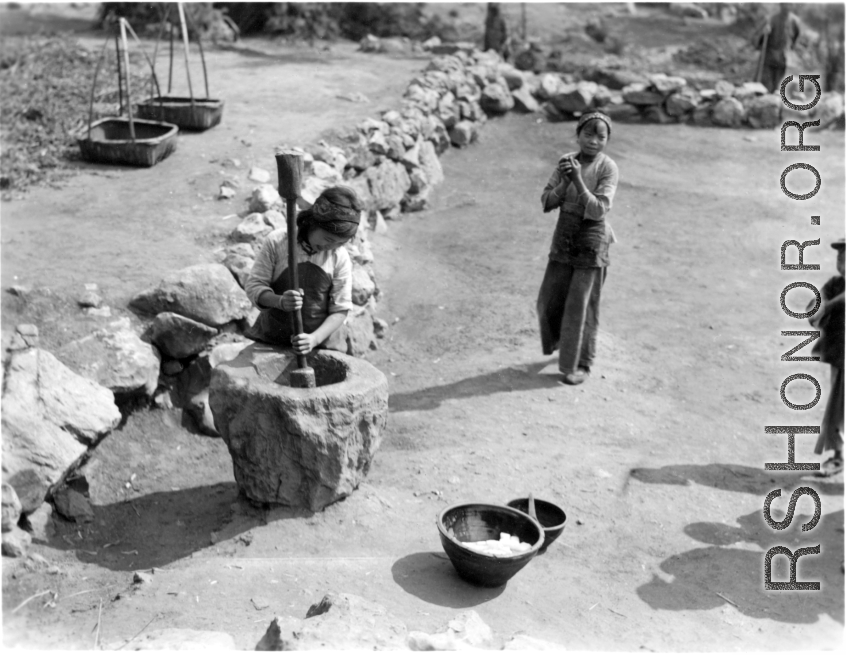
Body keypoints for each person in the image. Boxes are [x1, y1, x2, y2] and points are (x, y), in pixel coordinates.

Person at [537, 111, 619, 386]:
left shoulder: (608, 168)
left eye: (601, 136)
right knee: (548, 301)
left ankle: (581, 363)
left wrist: (578, 181)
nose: (593, 141)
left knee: (581, 306)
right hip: (564, 237)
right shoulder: (566, 162)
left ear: (607, 140)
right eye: (588, 134)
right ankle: (566, 345)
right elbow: (547, 202)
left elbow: (597, 210)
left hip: (591, 240)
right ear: (578, 134)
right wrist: (563, 181)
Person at [244, 186, 363, 354]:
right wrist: (279, 301)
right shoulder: (278, 242)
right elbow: (254, 286)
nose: (331, 247)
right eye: (328, 239)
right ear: (313, 222)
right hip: (275, 337)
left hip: (322, 342)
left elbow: (340, 309)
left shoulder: (339, 256)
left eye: (340, 243)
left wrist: (314, 339)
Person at [810, 238, 845, 477]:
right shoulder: (835, 284)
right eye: (840, 257)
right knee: (838, 406)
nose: (842, 262)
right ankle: (838, 454)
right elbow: (816, 306)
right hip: (840, 355)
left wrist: (829, 305)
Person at [752, 3, 802, 93]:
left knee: (778, 87)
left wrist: (791, 47)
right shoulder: (771, 19)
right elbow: (756, 38)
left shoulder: (794, 21)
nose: (787, 7)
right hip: (769, 57)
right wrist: (764, 33)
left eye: (790, 5)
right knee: (764, 86)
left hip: (783, 58)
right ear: (781, 5)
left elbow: (796, 36)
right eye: (785, 4)